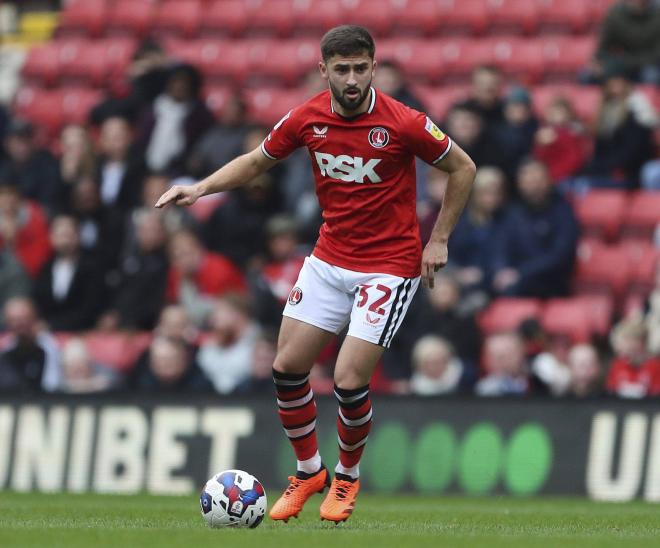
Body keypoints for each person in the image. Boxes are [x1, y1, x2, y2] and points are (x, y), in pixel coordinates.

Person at [155, 25, 475, 523]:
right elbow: (256, 162)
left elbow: (464, 168)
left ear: (374, 66)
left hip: (388, 266)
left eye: (361, 68)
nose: (352, 79)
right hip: (329, 258)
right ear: (323, 69)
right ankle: (310, 472)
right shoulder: (308, 117)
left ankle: (346, 478)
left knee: (348, 380)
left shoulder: (403, 121)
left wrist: (438, 239)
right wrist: (200, 188)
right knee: (287, 368)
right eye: (342, 69)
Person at [491, 159, 578, 298]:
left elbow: (561, 256)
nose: (534, 186)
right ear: (519, 184)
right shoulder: (512, 213)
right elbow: (500, 246)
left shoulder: (563, 212)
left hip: (550, 282)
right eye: (528, 181)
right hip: (515, 281)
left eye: (538, 180)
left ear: (549, 180)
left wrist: (521, 272)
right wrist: (501, 269)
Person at [0, 297, 61, 392]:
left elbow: (53, 385)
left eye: (23, 319)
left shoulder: (50, 347)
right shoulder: (5, 349)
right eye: (14, 320)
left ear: (34, 319)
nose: (19, 324)